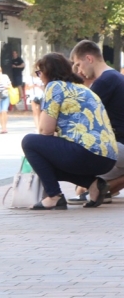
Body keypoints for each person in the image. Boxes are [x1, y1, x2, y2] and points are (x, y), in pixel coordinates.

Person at [21, 53, 117, 210]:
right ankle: (93, 185)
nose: (39, 78)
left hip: (86, 151)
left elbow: (45, 130)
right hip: (108, 157)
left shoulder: (55, 86)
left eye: (39, 73)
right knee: (45, 161)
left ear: (48, 72)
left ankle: (53, 196)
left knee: (30, 142)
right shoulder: (83, 88)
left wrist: (43, 110)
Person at [70, 40, 124, 202]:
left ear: (89, 59)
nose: (79, 70)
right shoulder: (115, 77)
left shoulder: (104, 82)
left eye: (79, 65)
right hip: (118, 146)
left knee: (79, 182)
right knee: (84, 189)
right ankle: (104, 189)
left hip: (118, 147)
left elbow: (79, 117)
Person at [0, 66, 11, 134]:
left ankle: (5, 127)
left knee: (4, 111)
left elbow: (10, 86)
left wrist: (5, 86)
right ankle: (2, 127)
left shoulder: (5, 77)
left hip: (5, 95)